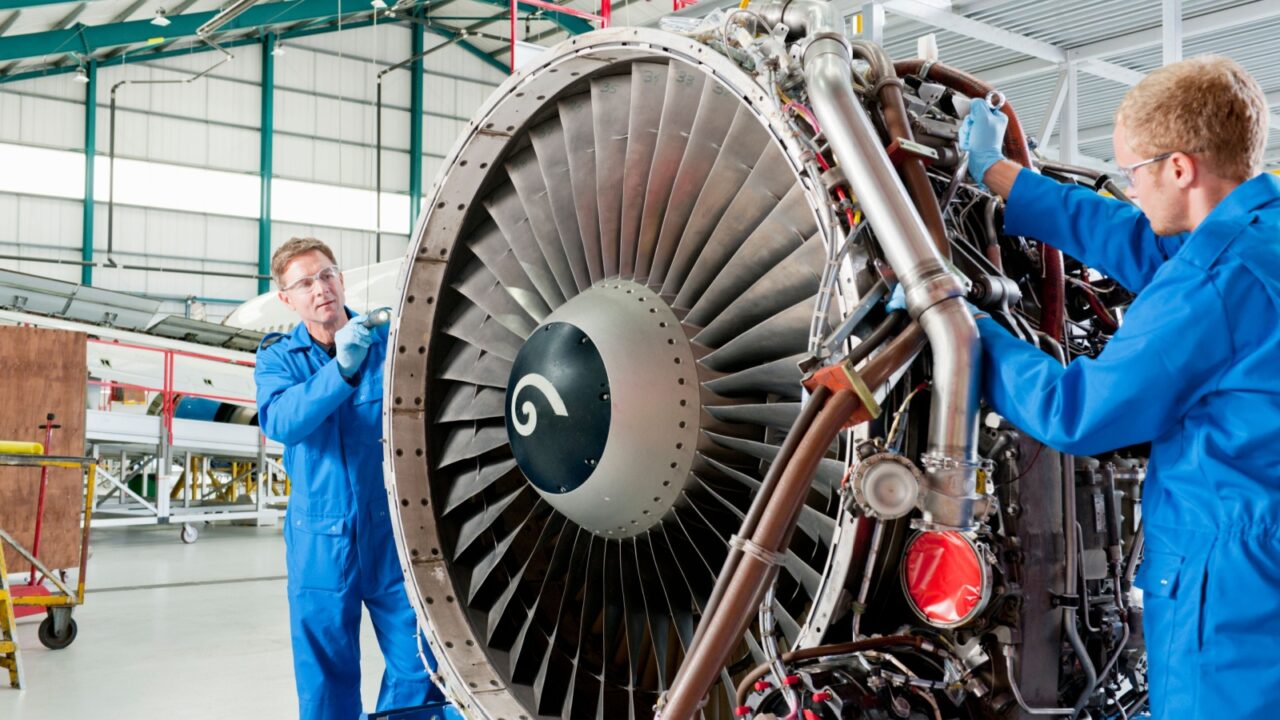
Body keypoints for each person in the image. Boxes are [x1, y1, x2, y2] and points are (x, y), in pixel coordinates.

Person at [958, 55, 1280, 717]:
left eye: (1135, 172)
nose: (1130, 189)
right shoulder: (1257, 236)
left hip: (1231, 591)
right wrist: (1001, 176)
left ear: (1180, 168)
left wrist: (963, 329)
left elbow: (1076, 413)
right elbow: (1141, 241)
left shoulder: (1211, 286)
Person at [255, 237, 450, 720]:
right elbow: (282, 420)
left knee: (421, 662)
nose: (320, 288)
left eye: (327, 274)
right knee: (325, 673)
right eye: (304, 283)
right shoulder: (280, 359)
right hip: (320, 539)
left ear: (341, 279)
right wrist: (341, 371)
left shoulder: (389, 345)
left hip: (395, 533)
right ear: (287, 298)